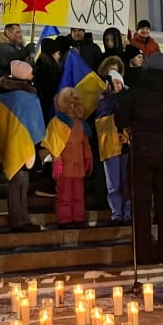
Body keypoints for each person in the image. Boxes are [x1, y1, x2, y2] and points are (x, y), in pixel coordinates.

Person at [116, 53, 163, 263]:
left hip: (140, 153)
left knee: (140, 204)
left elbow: (120, 117)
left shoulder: (136, 91)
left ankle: (143, 254)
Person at [0, 60, 43, 233]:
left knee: (16, 185)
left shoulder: (1, 97)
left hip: (10, 146)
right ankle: (20, 220)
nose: (32, 76)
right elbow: (35, 124)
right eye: (30, 73)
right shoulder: (27, 97)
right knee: (20, 185)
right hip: (24, 146)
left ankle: (20, 218)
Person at [46, 87, 93, 229]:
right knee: (64, 195)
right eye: (69, 104)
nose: (72, 107)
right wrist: (57, 160)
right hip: (65, 166)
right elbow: (54, 143)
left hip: (78, 166)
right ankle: (65, 220)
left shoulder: (80, 123)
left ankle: (78, 218)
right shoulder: (57, 123)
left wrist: (88, 158)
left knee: (78, 194)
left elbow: (85, 143)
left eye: (74, 104)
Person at [96, 70, 131, 226]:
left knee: (127, 182)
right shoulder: (103, 102)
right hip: (110, 146)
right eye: (113, 83)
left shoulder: (129, 100)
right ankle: (116, 214)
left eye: (118, 82)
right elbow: (101, 124)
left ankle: (128, 213)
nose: (116, 86)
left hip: (126, 147)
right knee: (113, 183)